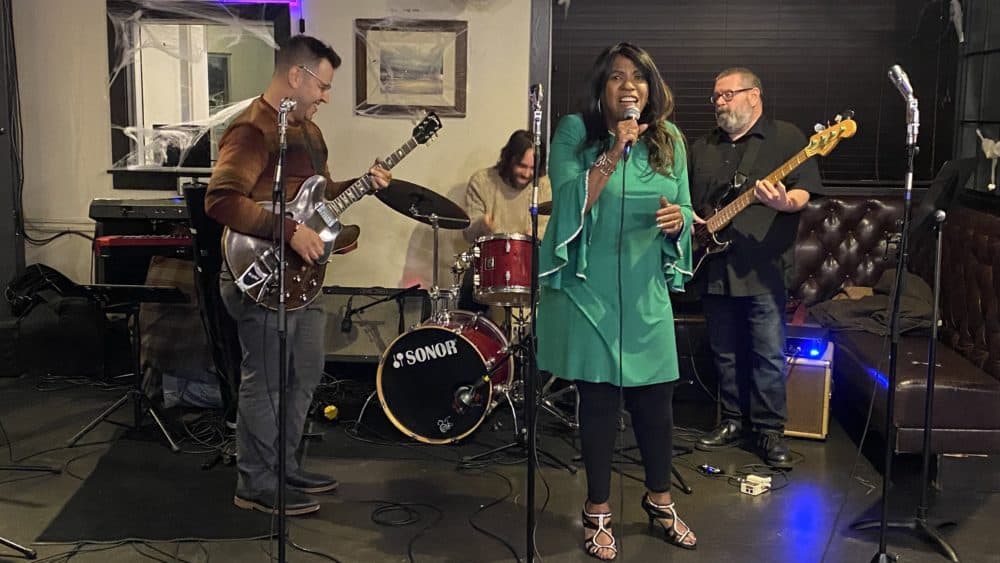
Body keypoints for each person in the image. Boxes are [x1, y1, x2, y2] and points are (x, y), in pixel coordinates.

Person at [205, 34, 392, 516]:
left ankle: (283, 467)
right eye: (323, 87)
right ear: (296, 77)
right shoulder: (252, 130)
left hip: (300, 281)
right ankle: (255, 483)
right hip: (259, 276)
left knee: (303, 374)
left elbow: (319, 195)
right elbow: (221, 200)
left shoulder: (308, 132)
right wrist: (288, 232)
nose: (326, 97)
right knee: (265, 381)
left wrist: (361, 186)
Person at [536, 42, 697, 560]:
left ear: (651, 87)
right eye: (617, 77)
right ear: (601, 86)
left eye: (639, 77)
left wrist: (679, 223)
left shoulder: (669, 137)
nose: (629, 85)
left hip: (645, 290)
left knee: (657, 403)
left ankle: (660, 500)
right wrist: (612, 151)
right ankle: (597, 510)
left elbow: (687, 209)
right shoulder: (574, 132)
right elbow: (567, 203)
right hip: (591, 292)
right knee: (600, 404)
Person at [689, 68, 822, 469]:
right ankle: (731, 421)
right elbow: (694, 203)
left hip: (762, 268)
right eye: (715, 97)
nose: (720, 103)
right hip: (713, 263)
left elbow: (802, 191)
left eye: (728, 95)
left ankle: (768, 431)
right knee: (724, 352)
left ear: (754, 96)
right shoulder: (702, 147)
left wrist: (783, 202)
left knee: (767, 354)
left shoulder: (787, 138)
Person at [457, 130, 551, 314]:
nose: (527, 173)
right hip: (488, 267)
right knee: (470, 285)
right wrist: (481, 225)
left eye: (532, 168)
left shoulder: (544, 185)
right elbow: (467, 233)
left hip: (528, 266)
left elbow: (548, 229)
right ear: (509, 160)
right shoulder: (482, 181)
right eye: (522, 166)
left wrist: (537, 236)